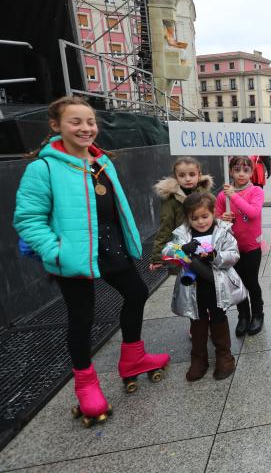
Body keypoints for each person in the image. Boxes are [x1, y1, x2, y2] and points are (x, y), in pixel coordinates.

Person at [14, 96, 170, 426]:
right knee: (82, 317)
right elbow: (28, 219)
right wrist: (55, 252)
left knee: (137, 293)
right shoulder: (42, 168)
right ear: (56, 126)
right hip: (73, 256)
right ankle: (86, 385)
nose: (86, 128)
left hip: (112, 247)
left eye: (90, 122)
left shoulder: (101, 162)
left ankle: (133, 358)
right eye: (76, 122)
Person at [165, 192, 246, 381]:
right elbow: (167, 251)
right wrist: (181, 250)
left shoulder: (222, 231)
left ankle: (224, 356)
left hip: (216, 285)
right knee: (197, 320)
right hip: (193, 287)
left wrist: (216, 256)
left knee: (218, 317)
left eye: (205, 216)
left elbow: (233, 254)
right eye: (195, 218)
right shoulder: (182, 234)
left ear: (213, 213)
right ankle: (198, 359)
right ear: (188, 218)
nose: (200, 222)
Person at [215, 156, 265, 337]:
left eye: (245, 170)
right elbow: (216, 217)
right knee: (237, 282)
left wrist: (233, 196)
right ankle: (243, 315)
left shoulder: (256, 191)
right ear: (230, 172)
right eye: (237, 170)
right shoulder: (223, 195)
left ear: (252, 172)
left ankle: (258, 314)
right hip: (231, 247)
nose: (241, 174)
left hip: (251, 245)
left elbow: (253, 213)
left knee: (251, 281)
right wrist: (222, 218)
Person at [149, 156, 214, 270]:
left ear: (199, 174)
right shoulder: (170, 199)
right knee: (186, 279)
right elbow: (166, 226)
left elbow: (216, 218)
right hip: (183, 246)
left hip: (205, 244)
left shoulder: (206, 195)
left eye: (192, 174)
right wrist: (157, 257)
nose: (187, 179)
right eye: (182, 175)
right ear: (176, 177)